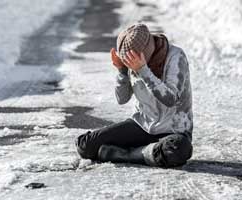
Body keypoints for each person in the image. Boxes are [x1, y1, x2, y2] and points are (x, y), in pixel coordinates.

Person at [75, 23, 193, 168]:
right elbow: (122, 99)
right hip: (141, 126)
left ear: (145, 52)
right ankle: (144, 152)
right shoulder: (132, 59)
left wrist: (143, 70)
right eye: (127, 61)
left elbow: (170, 98)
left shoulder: (175, 56)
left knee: (178, 149)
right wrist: (122, 71)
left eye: (129, 61)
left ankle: (125, 155)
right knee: (85, 145)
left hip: (173, 131)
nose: (130, 64)